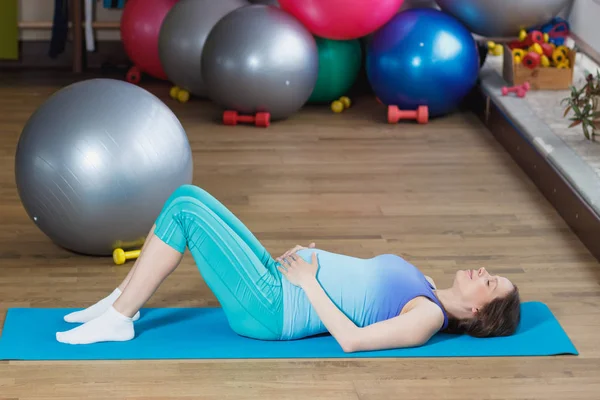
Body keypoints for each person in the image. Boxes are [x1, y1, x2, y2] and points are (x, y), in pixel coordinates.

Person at [56, 185, 521, 351]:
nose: (483, 270)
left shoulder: (427, 317)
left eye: (491, 281)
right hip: (278, 278)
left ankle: (119, 320)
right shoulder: (426, 285)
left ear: (482, 314)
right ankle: (121, 302)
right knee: (186, 196)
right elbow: (359, 283)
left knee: (187, 216)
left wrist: (307, 279)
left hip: (273, 308)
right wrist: (312, 256)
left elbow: (353, 340)